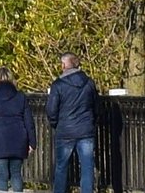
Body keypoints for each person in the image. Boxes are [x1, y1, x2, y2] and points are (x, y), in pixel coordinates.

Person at [0, 65, 36, 192]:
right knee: (16, 174)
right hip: (19, 139)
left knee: (1, 176)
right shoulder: (20, 96)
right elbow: (29, 121)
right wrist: (32, 142)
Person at [47, 53, 97, 193]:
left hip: (65, 131)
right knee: (87, 167)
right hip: (85, 130)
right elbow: (96, 106)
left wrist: (55, 123)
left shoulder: (58, 85)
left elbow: (51, 110)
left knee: (61, 167)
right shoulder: (89, 83)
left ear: (64, 65)